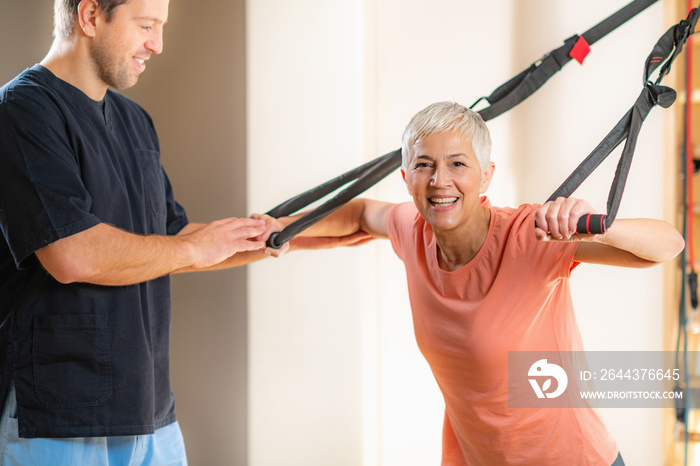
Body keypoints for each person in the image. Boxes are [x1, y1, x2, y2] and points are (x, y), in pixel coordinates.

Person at [0, 0, 367, 464]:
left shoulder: (136, 123)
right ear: (90, 15)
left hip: (151, 414)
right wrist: (195, 246)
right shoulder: (23, 110)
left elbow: (171, 239)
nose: (156, 44)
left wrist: (287, 234)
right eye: (146, 25)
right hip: (59, 419)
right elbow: (74, 254)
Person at [289, 101, 685, 465]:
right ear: (406, 178)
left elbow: (668, 245)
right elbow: (358, 215)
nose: (440, 180)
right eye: (424, 164)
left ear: (486, 175)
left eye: (458, 164)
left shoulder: (529, 235)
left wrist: (596, 228)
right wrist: (277, 231)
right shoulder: (411, 231)